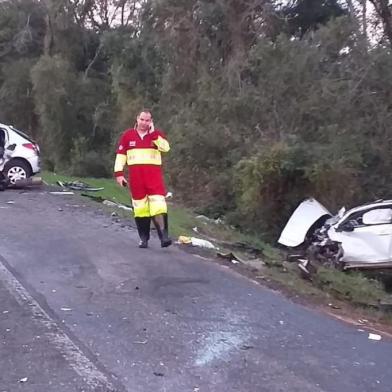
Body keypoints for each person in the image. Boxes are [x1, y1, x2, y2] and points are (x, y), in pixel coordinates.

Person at [114, 109, 172, 248]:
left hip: (154, 178)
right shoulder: (128, 135)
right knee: (141, 210)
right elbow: (121, 156)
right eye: (142, 120)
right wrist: (119, 174)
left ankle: (164, 236)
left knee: (159, 205)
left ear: (151, 121)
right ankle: (144, 238)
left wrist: (153, 135)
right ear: (137, 119)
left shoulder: (156, 135)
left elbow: (166, 148)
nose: (144, 123)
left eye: (147, 120)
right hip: (136, 179)